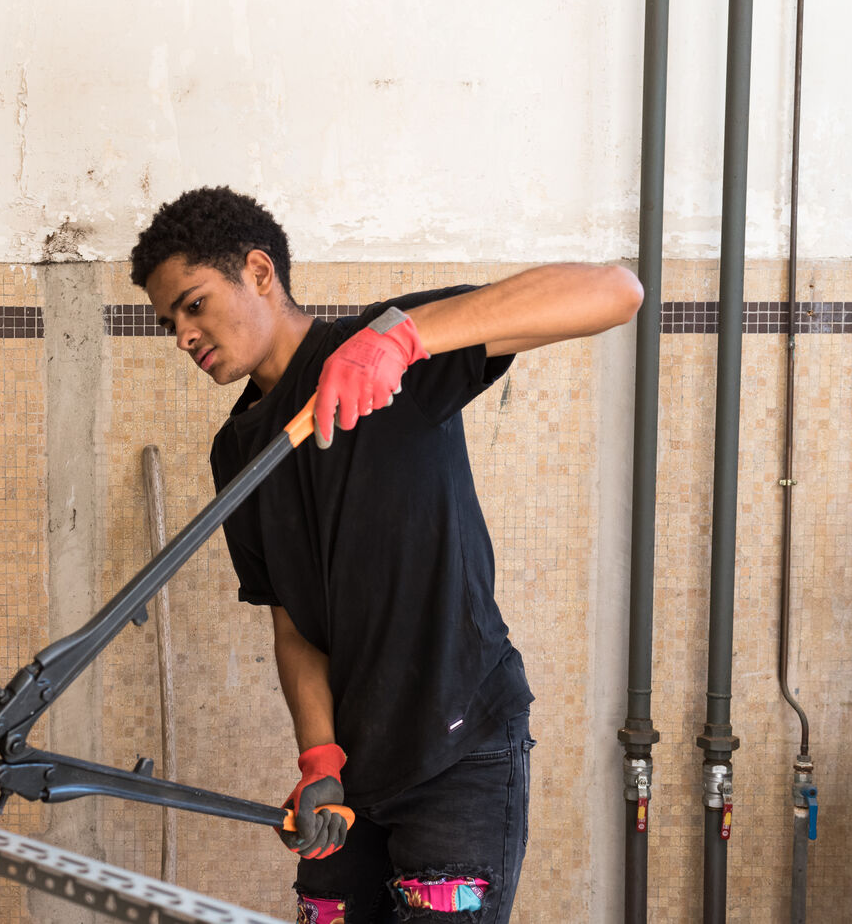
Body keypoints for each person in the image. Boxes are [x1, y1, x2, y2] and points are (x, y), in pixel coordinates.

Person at [130, 186, 641, 923]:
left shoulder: (381, 354)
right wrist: (319, 759)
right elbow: (293, 626)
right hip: (351, 776)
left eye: (194, 304)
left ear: (259, 272)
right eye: (169, 322)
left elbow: (615, 293)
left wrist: (405, 337)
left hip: (458, 748)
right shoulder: (237, 452)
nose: (182, 335)